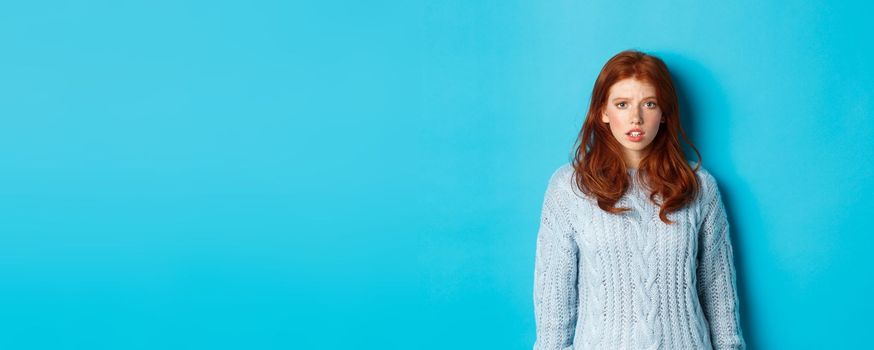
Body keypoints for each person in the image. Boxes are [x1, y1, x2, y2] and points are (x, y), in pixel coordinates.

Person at [532, 50, 746, 350]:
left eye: (649, 104)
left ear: (665, 113)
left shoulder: (698, 186)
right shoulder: (569, 188)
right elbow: (554, 301)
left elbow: (718, 291)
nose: (636, 118)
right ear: (603, 112)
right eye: (622, 104)